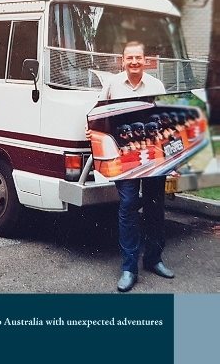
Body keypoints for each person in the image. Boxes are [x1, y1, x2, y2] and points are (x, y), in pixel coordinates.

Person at [90, 41, 174, 293]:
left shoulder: (156, 85)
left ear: (145, 60)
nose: (134, 62)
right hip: (124, 158)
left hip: (153, 157)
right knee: (128, 204)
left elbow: (167, 120)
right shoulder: (112, 84)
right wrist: (91, 129)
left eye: (138, 58)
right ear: (122, 60)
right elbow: (96, 115)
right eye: (130, 58)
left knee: (154, 205)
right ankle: (129, 268)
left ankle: (154, 259)